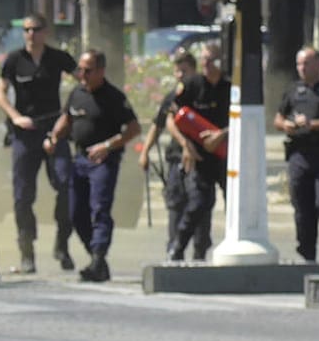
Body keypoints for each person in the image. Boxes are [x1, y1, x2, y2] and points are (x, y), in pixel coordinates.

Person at [46, 49, 140, 283]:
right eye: (80, 70)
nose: (82, 74)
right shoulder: (76, 94)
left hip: (103, 161)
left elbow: (133, 129)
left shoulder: (114, 97)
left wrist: (107, 146)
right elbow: (67, 118)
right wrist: (54, 137)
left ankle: (98, 258)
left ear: (100, 71)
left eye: (88, 70)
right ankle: (97, 259)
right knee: (76, 212)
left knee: (100, 208)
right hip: (79, 160)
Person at [0, 15, 78, 274]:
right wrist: (15, 117)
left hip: (54, 129)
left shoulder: (58, 58)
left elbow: (83, 82)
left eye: (36, 30)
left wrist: (70, 113)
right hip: (25, 133)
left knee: (66, 185)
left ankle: (62, 244)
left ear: (46, 32)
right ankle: (27, 252)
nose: (31, 34)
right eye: (27, 30)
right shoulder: (14, 59)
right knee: (22, 196)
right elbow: (1, 92)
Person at [273, 46, 319, 263]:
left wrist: (312, 125)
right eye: (299, 64)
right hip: (299, 156)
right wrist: (286, 125)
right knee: (302, 209)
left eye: (306, 63)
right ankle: (308, 255)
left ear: (318, 64)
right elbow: (278, 119)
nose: (302, 68)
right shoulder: (293, 91)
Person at [165, 42, 230, 262]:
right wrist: (186, 145)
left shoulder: (230, 88)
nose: (207, 64)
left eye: (211, 60)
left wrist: (221, 134)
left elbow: (245, 119)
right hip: (199, 156)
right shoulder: (192, 85)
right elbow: (173, 118)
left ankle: (229, 244)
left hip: (225, 155)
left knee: (233, 202)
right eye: (204, 60)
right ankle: (178, 247)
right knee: (198, 202)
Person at [140, 50, 199, 261]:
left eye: (185, 71)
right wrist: (145, 152)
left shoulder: (200, 94)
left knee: (197, 204)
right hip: (175, 158)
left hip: (198, 160)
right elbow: (158, 126)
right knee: (175, 204)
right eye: (177, 71)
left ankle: (199, 250)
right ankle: (174, 248)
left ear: (194, 71)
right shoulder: (172, 97)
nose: (180, 75)